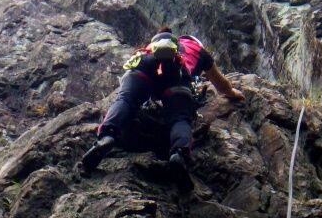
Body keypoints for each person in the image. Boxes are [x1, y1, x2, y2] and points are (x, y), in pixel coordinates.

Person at [81, 29, 245, 186]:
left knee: (126, 100)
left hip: (143, 66)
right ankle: (179, 154)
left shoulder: (155, 45)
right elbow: (221, 85)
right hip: (176, 75)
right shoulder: (199, 51)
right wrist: (233, 93)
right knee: (180, 118)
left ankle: (107, 136)